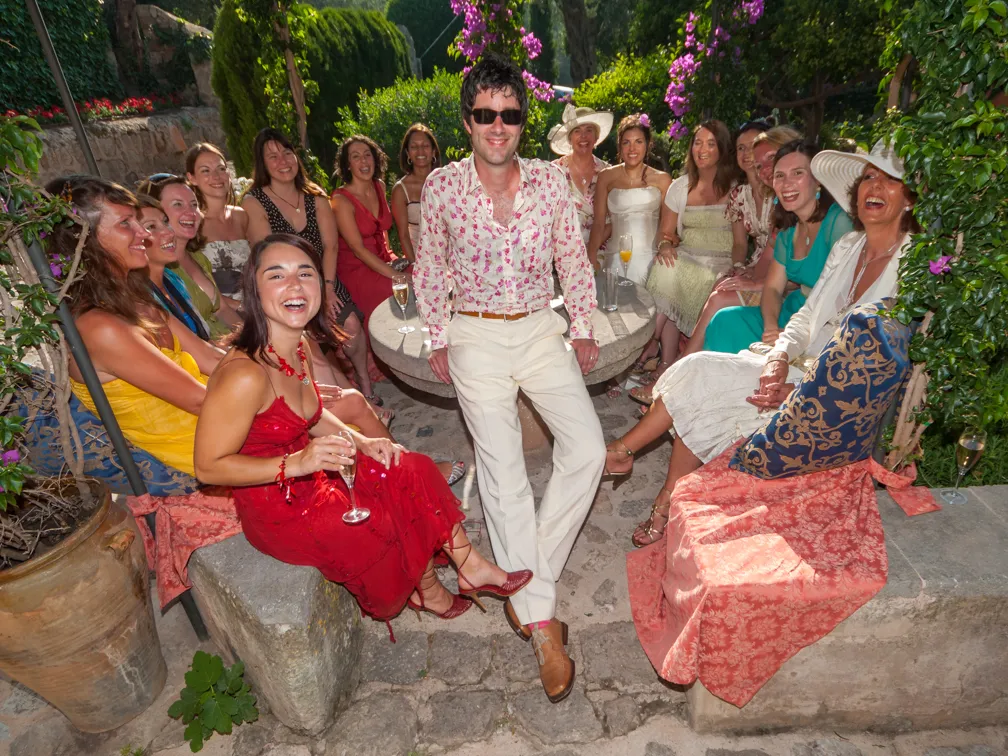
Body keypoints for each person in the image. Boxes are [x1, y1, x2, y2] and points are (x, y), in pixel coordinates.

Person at [192, 233, 531, 626]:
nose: (295, 285)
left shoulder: (296, 345)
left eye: (305, 273)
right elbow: (208, 467)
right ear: (253, 289)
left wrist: (363, 440)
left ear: (320, 285)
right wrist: (298, 462)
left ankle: (469, 566)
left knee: (413, 466)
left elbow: (311, 414)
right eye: (277, 275)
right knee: (382, 516)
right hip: (280, 508)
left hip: (314, 474)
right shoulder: (243, 375)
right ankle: (430, 591)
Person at [603, 139, 920, 547]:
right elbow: (806, 315)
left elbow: (877, 367)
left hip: (831, 397)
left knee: (708, 386)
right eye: (870, 177)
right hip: (794, 363)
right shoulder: (849, 246)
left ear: (909, 198)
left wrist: (804, 389)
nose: (875, 188)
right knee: (697, 369)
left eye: (890, 181)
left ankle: (626, 463)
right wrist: (779, 357)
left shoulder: (912, 266)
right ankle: (632, 463)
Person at [413, 53, 606, 704]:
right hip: (473, 333)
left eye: (510, 114)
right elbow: (429, 265)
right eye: (484, 114)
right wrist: (439, 337)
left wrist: (583, 324)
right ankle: (544, 627)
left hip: (536, 327)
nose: (498, 124)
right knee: (502, 472)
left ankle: (525, 578)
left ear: (524, 121)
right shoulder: (441, 187)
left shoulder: (551, 183)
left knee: (590, 448)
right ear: (466, 121)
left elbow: (572, 258)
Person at [48, 176, 224, 475]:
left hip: (222, 424)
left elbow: (208, 357)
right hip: (206, 451)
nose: (144, 233)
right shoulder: (99, 328)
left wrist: (276, 375)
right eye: (126, 223)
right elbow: (198, 400)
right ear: (85, 240)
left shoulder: (135, 297)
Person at [242, 128, 379, 407]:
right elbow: (266, 255)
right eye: (273, 156)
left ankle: (365, 385)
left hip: (322, 277)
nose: (283, 161)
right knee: (304, 341)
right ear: (262, 163)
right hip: (284, 285)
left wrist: (327, 289)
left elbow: (330, 247)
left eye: (287, 153)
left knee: (351, 325)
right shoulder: (254, 202)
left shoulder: (315, 196)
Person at [703, 140, 854, 354]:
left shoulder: (838, 223)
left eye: (797, 173)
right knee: (725, 320)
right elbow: (773, 289)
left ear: (818, 181)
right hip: (791, 312)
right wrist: (771, 327)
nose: (786, 183)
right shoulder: (788, 231)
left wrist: (792, 334)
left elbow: (846, 295)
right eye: (780, 176)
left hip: (824, 323)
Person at [630, 120, 737, 403]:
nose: (702, 149)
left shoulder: (737, 188)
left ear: (722, 149)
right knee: (665, 268)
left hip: (720, 264)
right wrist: (665, 245)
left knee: (672, 276)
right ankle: (659, 357)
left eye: (710, 143)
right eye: (698, 142)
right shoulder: (680, 187)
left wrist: (736, 270)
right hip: (687, 255)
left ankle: (644, 349)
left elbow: (741, 243)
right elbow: (665, 233)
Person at [680, 125, 802, 358]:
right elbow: (749, 248)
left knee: (721, 298)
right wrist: (743, 272)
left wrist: (758, 283)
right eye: (741, 149)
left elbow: (799, 274)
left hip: (795, 298)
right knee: (723, 286)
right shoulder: (778, 209)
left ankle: (681, 363)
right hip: (768, 272)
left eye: (771, 160)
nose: (764, 169)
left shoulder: (788, 204)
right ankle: (689, 358)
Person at [137, 175, 241, 340]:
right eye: (178, 204)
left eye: (194, 204)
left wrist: (251, 339)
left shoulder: (198, 258)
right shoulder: (159, 271)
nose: (191, 212)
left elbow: (223, 309)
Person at [587, 114, 671, 281]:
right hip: (616, 259)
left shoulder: (663, 180)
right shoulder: (606, 177)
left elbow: (668, 228)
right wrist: (590, 257)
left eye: (638, 142)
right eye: (626, 142)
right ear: (620, 146)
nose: (632, 149)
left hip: (653, 260)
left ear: (648, 145)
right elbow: (598, 223)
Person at [330, 135, 398, 328]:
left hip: (383, 259)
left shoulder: (379, 186)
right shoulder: (341, 200)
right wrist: (396, 275)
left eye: (368, 155)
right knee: (398, 288)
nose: (364, 161)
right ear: (348, 165)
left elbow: (382, 232)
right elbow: (358, 250)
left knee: (423, 275)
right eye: (356, 156)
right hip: (357, 268)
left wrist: (394, 260)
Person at [137, 195, 211, 341]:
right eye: (151, 227)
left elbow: (205, 342)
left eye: (166, 222)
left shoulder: (173, 279)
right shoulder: (139, 298)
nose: (169, 232)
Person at [184, 142, 251, 298]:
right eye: (205, 171)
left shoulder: (241, 216)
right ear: (192, 178)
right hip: (219, 312)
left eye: (221, 169)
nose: (216, 176)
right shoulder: (192, 222)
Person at [548, 104, 613, 248]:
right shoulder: (554, 171)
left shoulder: (607, 172)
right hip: (562, 254)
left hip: (598, 252)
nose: (583, 136)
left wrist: (590, 251)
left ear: (596, 137)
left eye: (589, 130)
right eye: (577, 131)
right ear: (570, 138)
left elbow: (613, 221)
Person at [390, 124, 441, 262]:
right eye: (414, 147)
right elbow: (403, 235)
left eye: (425, 146)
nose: (420, 151)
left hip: (453, 259)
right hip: (421, 260)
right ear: (407, 153)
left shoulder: (447, 181)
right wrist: (415, 267)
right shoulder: (401, 190)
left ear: (434, 151)